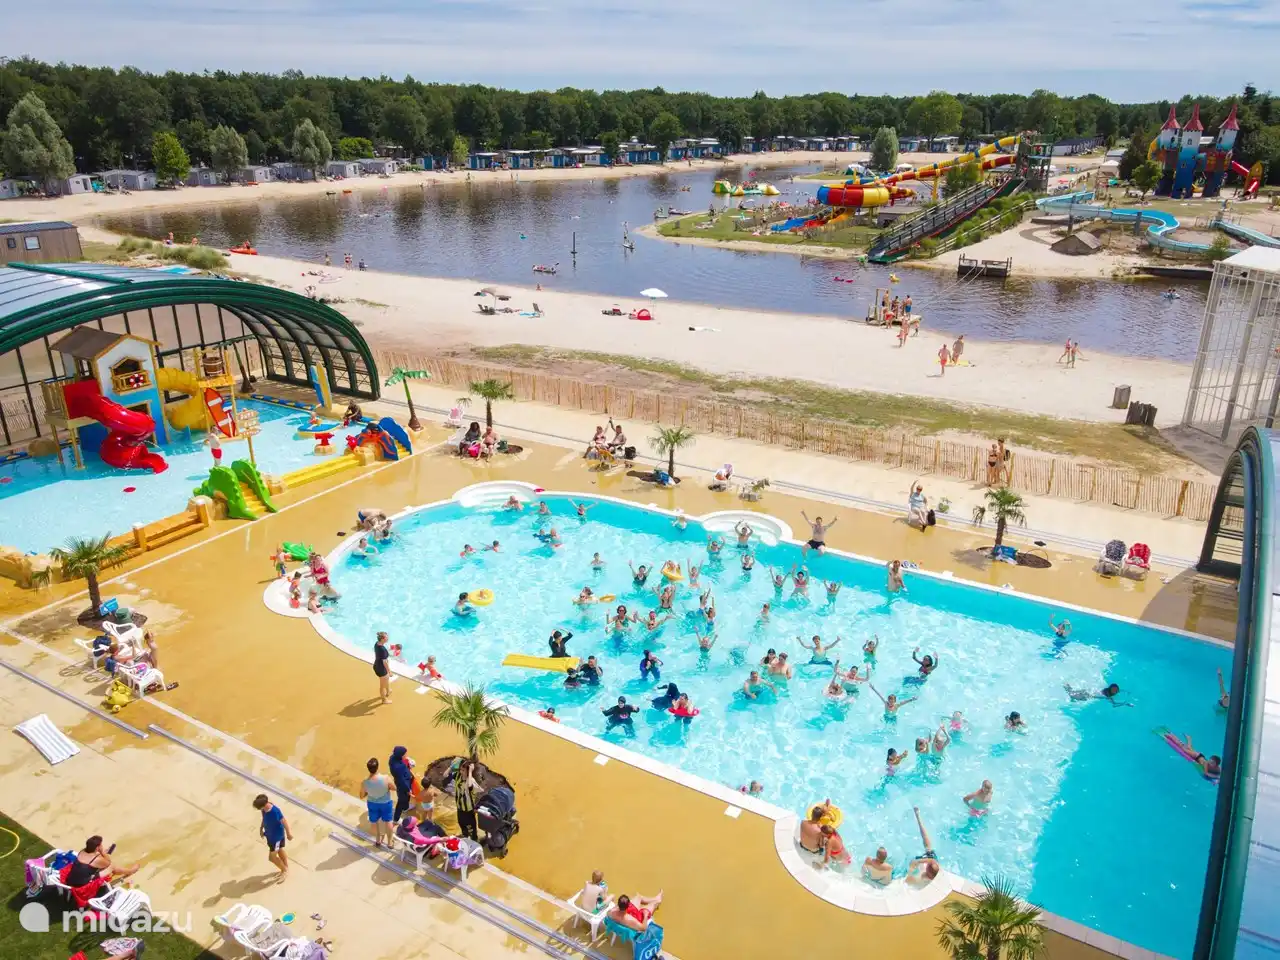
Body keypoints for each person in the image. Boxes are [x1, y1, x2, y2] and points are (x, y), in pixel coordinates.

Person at [62, 836, 140, 896]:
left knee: (102, 864)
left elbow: (92, 858)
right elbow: (108, 862)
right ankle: (131, 871)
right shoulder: (96, 860)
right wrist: (103, 852)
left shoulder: (83, 851)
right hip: (83, 884)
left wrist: (101, 853)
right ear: (97, 847)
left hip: (71, 880)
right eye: (101, 845)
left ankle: (128, 871)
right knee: (112, 867)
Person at [253, 794, 293, 881]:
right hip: (270, 836)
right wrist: (261, 828)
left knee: (272, 858)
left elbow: (284, 821)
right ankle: (285, 866)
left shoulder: (275, 811)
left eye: (259, 808)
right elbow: (264, 819)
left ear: (263, 805)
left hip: (276, 838)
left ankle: (284, 870)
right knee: (280, 850)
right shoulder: (264, 810)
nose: (259, 810)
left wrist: (288, 834)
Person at [360, 757, 395, 846]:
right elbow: (394, 788)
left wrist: (370, 792)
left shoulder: (365, 782)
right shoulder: (386, 778)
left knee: (374, 822)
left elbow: (361, 796)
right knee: (388, 821)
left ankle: (378, 839)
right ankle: (390, 842)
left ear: (368, 769)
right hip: (385, 803)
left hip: (372, 804)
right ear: (377, 767)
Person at [907, 806, 941, 883]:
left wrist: (910, 873)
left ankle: (918, 816)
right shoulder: (933, 863)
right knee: (926, 841)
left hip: (927, 862)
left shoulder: (923, 877)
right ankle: (918, 816)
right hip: (930, 857)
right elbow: (930, 861)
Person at [453, 760, 480, 841]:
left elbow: (469, 786)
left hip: (468, 810)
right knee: (461, 823)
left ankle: (474, 839)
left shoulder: (471, 781)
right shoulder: (458, 776)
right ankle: (465, 835)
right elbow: (445, 775)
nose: (461, 772)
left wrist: (470, 771)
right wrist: (452, 766)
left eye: (463, 770)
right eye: (460, 770)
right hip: (459, 807)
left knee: (471, 828)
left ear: (468, 771)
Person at [389, 746, 415, 821]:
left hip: (399, 781)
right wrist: (408, 789)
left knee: (404, 798)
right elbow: (402, 781)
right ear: (400, 756)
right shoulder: (400, 767)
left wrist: (407, 760)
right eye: (405, 754)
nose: (406, 756)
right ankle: (396, 819)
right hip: (403, 786)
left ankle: (406, 807)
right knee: (401, 801)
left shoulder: (392, 758)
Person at [1064, 682, 1131, 706]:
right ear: (1110, 688)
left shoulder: (1112, 691)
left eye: (1116, 690)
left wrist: (1126, 691)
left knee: (1076, 696)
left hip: (1090, 693)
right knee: (1072, 695)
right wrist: (1125, 703)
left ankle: (1067, 686)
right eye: (1114, 689)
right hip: (1088, 694)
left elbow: (1119, 691)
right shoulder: (1108, 695)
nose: (1115, 691)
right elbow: (1114, 704)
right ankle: (1066, 686)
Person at [373, 631, 392, 703]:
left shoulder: (376, 644)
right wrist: (389, 671)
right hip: (381, 669)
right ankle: (384, 700)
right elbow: (384, 662)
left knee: (386, 679)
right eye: (387, 637)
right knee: (382, 685)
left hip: (377, 665)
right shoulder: (383, 649)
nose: (388, 638)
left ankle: (388, 690)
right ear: (383, 639)